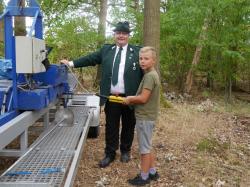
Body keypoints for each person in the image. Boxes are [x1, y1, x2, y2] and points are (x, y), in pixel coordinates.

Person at [60, 21, 143, 168]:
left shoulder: (137, 52)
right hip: (111, 96)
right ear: (114, 35)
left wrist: (143, 95)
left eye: (124, 33)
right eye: (118, 33)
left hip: (130, 97)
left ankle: (125, 151)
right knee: (111, 125)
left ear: (129, 35)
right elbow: (90, 59)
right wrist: (71, 63)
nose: (121, 36)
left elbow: (146, 72)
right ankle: (110, 153)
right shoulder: (106, 50)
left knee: (129, 124)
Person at [123, 46, 160, 186]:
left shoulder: (150, 76)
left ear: (154, 60)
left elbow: (143, 98)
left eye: (146, 58)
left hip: (145, 117)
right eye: (141, 58)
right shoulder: (151, 74)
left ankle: (144, 177)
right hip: (148, 116)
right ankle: (152, 172)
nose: (142, 61)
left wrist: (130, 99)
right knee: (148, 145)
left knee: (144, 149)